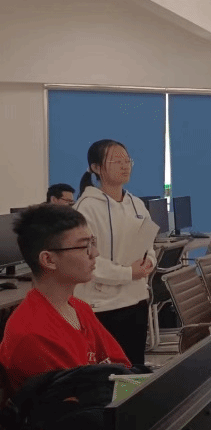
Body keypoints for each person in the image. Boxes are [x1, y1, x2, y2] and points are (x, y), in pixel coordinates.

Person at [0, 205, 131, 395]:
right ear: (49, 260)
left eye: (92, 243)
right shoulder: (33, 334)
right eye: (85, 246)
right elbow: (82, 400)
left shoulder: (79, 308)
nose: (95, 253)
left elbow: (122, 369)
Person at [72, 140, 156, 366]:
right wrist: (128, 273)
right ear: (96, 167)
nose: (124, 166)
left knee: (135, 368)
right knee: (111, 374)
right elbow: (85, 260)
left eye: (127, 160)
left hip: (136, 299)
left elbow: (149, 244)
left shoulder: (136, 204)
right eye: (116, 161)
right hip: (103, 306)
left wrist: (149, 261)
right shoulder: (85, 208)